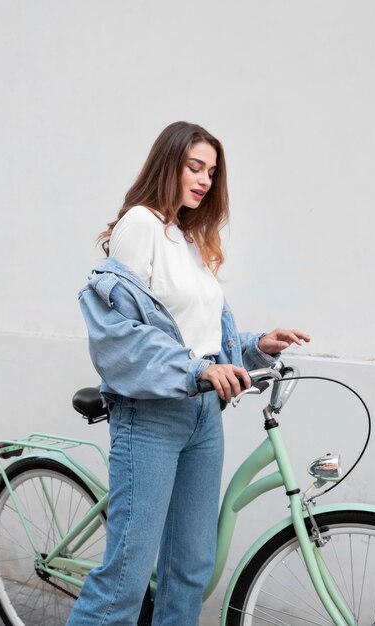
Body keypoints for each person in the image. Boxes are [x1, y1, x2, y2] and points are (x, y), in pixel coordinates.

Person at [66, 121, 310, 626]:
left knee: (190, 572)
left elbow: (198, 340)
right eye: (194, 167)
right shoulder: (141, 225)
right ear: (168, 164)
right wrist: (198, 368)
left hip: (204, 417)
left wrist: (256, 347)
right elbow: (122, 334)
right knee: (124, 583)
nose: (203, 180)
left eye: (212, 171)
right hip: (151, 417)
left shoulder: (190, 239)